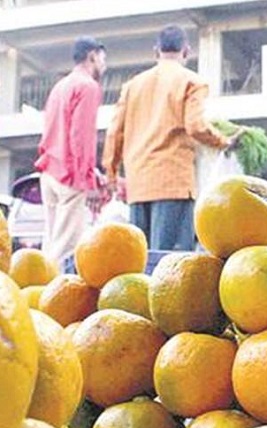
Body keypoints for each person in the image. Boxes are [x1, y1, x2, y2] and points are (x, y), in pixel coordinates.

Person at [102, 25, 235, 251]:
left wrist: (112, 174)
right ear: (186, 51)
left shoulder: (133, 85)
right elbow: (195, 126)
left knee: (140, 258)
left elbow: (115, 132)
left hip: (139, 184)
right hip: (173, 181)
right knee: (171, 260)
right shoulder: (191, 82)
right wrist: (223, 141)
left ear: (156, 51)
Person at [35, 36, 108, 267]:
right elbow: (81, 137)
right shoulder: (88, 87)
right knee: (66, 250)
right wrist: (88, 181)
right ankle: (52, 300)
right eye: (102, 59)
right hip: (70, 177)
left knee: (51, 245)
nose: (104, 65)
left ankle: (37, 295)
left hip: (49, 171)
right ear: (93, 56)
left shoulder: (60, 86)